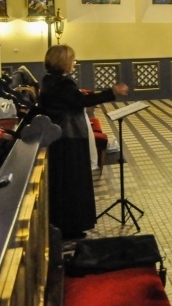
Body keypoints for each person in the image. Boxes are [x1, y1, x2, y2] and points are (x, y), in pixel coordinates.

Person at [38, 45, 128, 239]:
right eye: (72, 59)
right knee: (72, 183)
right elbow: (81, 101)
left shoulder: (49, 81)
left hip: (59, 138)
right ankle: (71, 226)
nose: (74, 62)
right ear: (63, 61)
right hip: (69, 139)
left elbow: (74, 100)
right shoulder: (63, 83)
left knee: (64, 184)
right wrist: (112, 91)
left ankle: (65, 224)